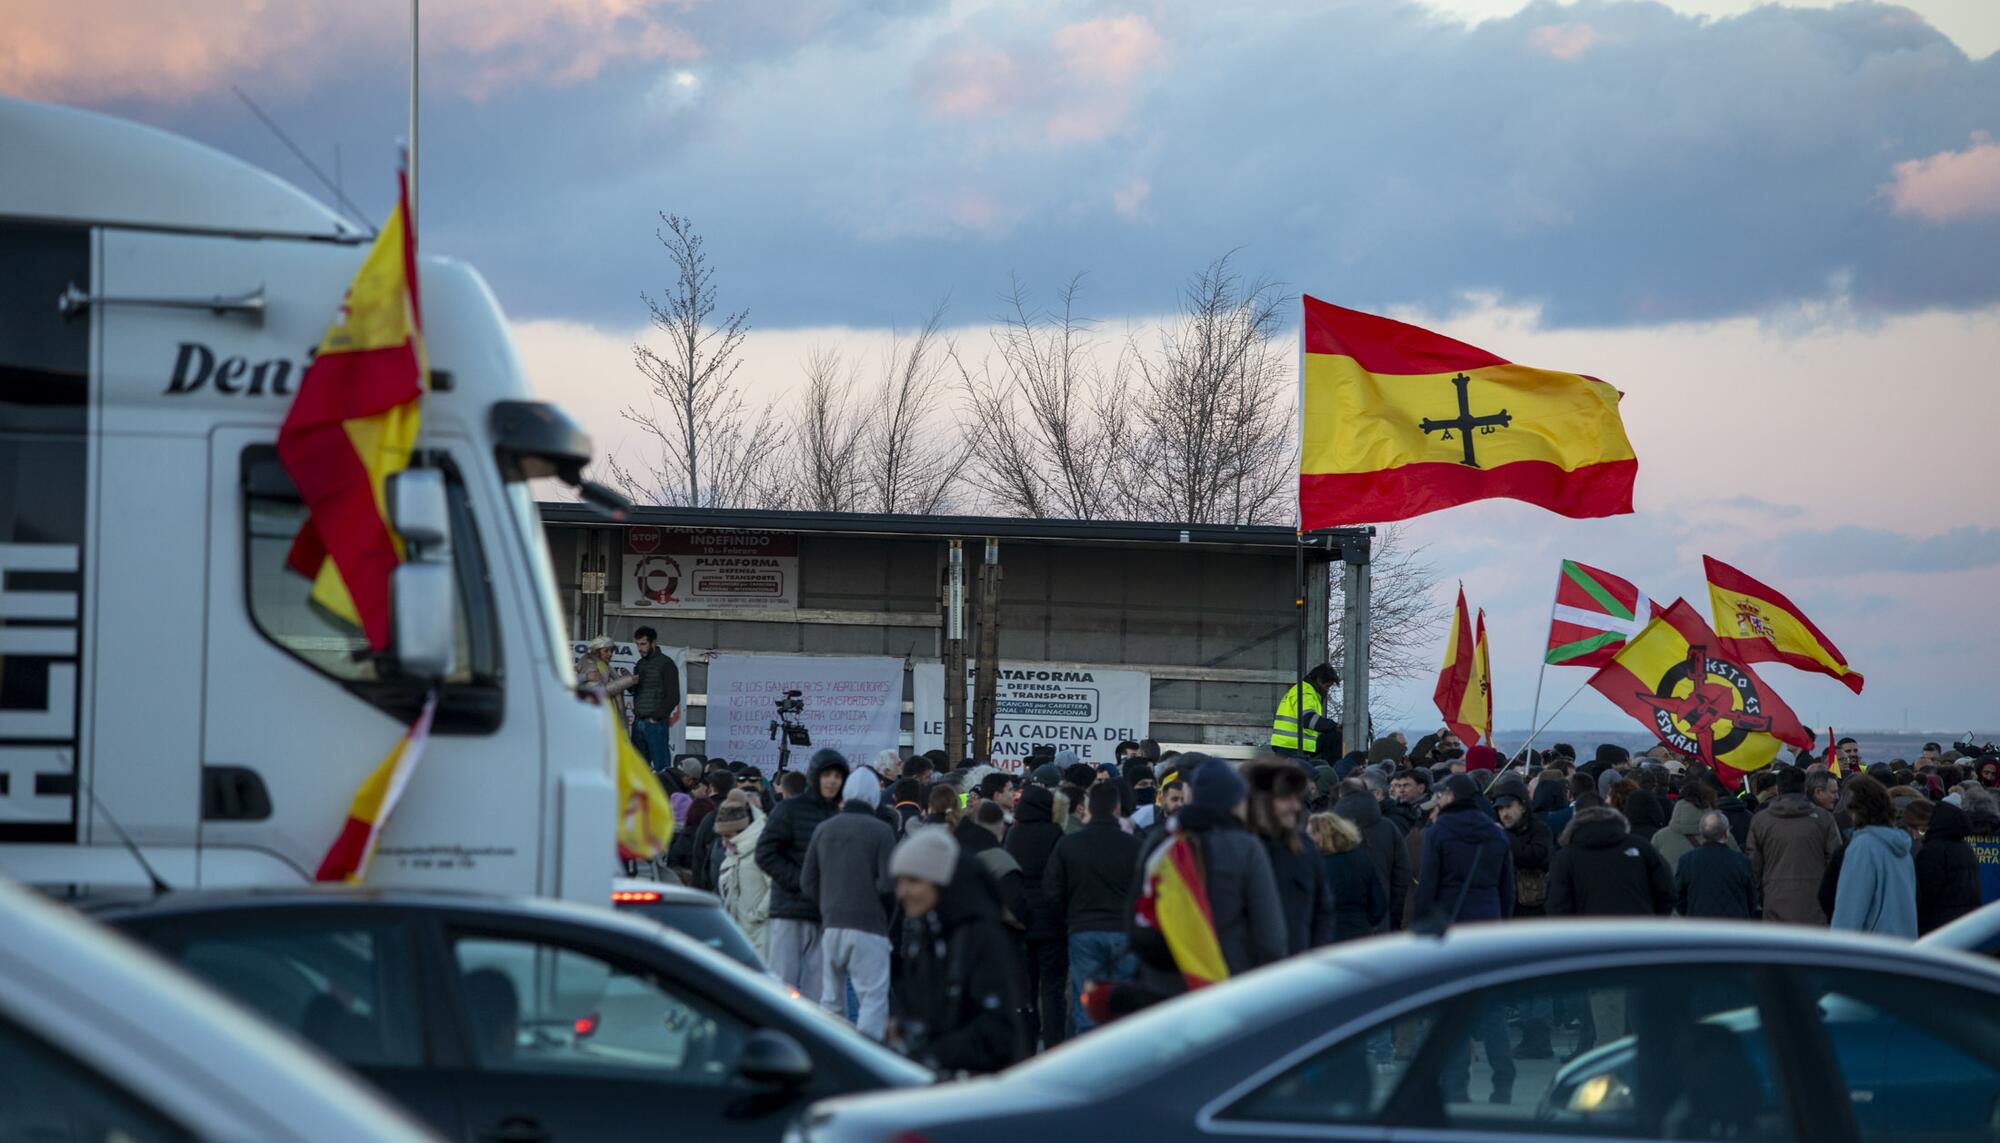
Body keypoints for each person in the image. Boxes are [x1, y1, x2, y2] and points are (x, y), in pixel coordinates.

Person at [1128, 755, 1287, 998]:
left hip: (1163, 982)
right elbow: (1270, 935)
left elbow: (1135, 910)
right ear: (1234, 803)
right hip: (1226, 980)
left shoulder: (1161, 841)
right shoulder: (1246, 848)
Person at [888, 827, 1026, 1074]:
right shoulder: (927, 932)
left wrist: (932, 1053)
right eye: (900, 881)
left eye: (914, 880)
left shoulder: (980, 937)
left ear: (941, 883)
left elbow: (997, 1030)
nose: (902, 892)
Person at [799, 770, 899, 1039]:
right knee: (873, 999)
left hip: (831, 926)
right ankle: (868, 1059)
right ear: (874, 796)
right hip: (870, 926)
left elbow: (807, 881)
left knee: (831, 1001)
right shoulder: (881, 831)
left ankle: (834, 1056)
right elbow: (889, 885)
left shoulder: (824, 828)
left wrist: (826, 906)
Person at [1042, 781, 1141, 1033]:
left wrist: (1069, 916)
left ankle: (1089, 1061)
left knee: (1086, 1003)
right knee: (1125, 1004)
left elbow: (1052, 891)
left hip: (1083, 929)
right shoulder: (1134, 845)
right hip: (1124, 931)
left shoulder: (1069, 844)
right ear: (1117, 808)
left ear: (1087, 808)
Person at [756, 749, 849, 997]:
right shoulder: (789, 810)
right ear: (815, 776)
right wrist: (801, 882)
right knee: (780, 986)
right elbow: (765, 854)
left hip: (824, 913)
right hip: (790, 909)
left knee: (819, 992)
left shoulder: (840, 815)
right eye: (827, 774)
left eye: (838, 776)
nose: (832, 781)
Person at [1004, 784, 1070, 1048]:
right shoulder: (1056, 833)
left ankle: (1026, 1043)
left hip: (1022, 920)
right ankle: (1054, 1042)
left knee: (1026, 988)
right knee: (1052, 988)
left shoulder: (1013, 834)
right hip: (1052, 922)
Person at [1246, 758, 1334, 953]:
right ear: (1262, 800)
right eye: (1286, 798)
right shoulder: (1237, 851)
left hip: (1300, 973)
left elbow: (1323, 912)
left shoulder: (1304, 848)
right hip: (1249, 978)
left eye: (1296, 797)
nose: (1296, 806)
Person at [1412, 774, 1515, 925]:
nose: (1438, 800)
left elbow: (1427, 882)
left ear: (1451, 796)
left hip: (1449, 917)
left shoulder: (1438, 831)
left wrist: (1421, 920)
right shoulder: (1496, 832)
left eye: (1441, 795)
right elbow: (1507, 887)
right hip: (1489, 916)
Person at [1746, 765, 1841, 924]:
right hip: (1815, 903)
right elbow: (1835, 861)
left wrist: (1758, 897)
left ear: (1778, 789)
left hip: (1774, 902)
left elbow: (1754, 865)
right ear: (1805, 788)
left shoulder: (1761, 820)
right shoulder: (1824, 819)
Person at [1548, 803, 1673, 918]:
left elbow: (1557, 904)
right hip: (1637, 930)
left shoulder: (1565, 857)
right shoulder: (1640, 846)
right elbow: (1666, 888)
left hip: (1587, 935)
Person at [1830, 776, 1917, 937]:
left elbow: (1850, 908)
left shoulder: (1863, 847)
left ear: (1855, 810)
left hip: (1871, 950)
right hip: (1902, 947)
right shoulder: (1903, 847)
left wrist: (1837, 950)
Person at [1333, 779, 1411, 932]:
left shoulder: (1331, 828)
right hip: (1381, 914)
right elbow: (1402, 874)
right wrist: (1393, 908)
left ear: (1341, 795)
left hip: (1340, 918)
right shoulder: (1388, 827)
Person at [1308, 812, 1387, 941]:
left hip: (1326, 936)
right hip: (1361, 932)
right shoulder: (1362, 860)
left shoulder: (1316, 865)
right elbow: (1379, 904)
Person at [1675, 811, 1758, 919]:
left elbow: (1679, 897)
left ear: (1702, 832)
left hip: (1698, 925)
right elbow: (1751, 899)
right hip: (1734, 926)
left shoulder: (1687, 860)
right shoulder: (1741, 861)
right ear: (1726, 832)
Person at [1914, 799, 1981, 933]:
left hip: (1937, 925)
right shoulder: (1966, 847)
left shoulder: (1933, 849)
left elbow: (1925, 890)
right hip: (1964, 922)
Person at [714, 800, 770, 956]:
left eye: (728, 835)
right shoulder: (735, 853)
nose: (724, 840)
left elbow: (775, 887)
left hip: (761, 932)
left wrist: (757, 915)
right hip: (742, 932)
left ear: (741, 830)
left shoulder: (759, 852)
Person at [1494, 785, 1553, 919]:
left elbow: (1534, 856)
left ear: (1523, 807)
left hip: (1532, 909)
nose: (1504, 813)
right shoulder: (1496, 832)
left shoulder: (1540, 830)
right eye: (1500, 809)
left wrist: (1504, 835)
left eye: (1508, 806)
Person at [627, 626, 680, 771]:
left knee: (662, 767)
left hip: (655, 723)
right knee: (638, 769)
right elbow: (637, 691)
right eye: (637, 644)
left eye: (643, 644)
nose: (640, 648)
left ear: (653, 643)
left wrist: (656, 717)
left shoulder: (666, 664)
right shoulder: (640, 664)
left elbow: (674, 696)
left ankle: (665, 793)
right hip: (639, 722)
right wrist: (628, 681)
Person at [1270, 662, 1340, 760]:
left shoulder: (1305, 691)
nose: (1327, 690)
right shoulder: (1306, 692)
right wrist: (1334, 726)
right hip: (1292, 747)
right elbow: (1308, 719)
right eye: (1327, 686)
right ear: (1319, 680)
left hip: (1290, 746)